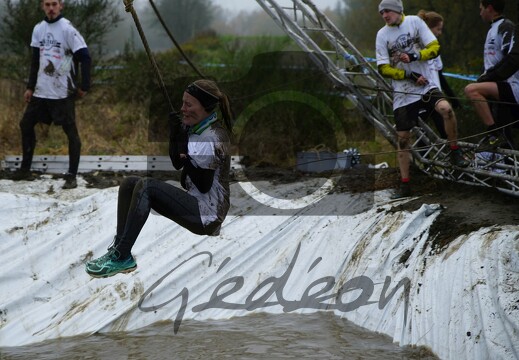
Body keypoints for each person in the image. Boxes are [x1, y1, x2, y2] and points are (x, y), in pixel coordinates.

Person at [86, 79, 233, 278]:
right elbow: (177, 163)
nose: (183, 109)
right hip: (197, 203)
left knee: (147, 187)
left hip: (208, 214)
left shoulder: (211, 137)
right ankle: (119, 251)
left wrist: (186, 152)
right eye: (183, 103)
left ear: (205, 107)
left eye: (188, 105)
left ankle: (122, 256)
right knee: (130, 184)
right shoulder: (197, 128)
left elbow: (203, 184)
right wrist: (175, 136)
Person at [375, 0, 469, 199]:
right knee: (403, 140)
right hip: (403, 93)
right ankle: (405, 184)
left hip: (427, 85)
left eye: (388, 11)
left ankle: (455, 151)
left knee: (446, 109)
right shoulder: (382, 35)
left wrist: (416, 56)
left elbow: (435, 47)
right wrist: (408, 76)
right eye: (382, 12)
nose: (384, 15)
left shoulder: (415, 23)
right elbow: (383, 68)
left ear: (398, 10)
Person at [13, 0, 91, 189]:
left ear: (61, 6)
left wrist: (84, 85)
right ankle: (25, 169)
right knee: (25, 124)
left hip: (62, 92)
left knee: (71, 133)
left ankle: (72, 176)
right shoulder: (39, 29)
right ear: (42, 6)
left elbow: (85, 57)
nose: (51, 8)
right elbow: (35, 60)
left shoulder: (67, 29)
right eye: (47, 4)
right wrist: (30, 87)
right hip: (41, 91)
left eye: (54, 4)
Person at [464, 0, 519, 150]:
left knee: (471, 90)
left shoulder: (506, 26)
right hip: (496, 87)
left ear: (489, 8)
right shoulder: (492, 29)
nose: (480, 12)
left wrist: (489, 78)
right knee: (505, 141)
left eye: (481, 9)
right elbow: (491, 62)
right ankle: (497, 137)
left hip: (509, 86)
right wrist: (484, 76)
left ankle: (493, 132)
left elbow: (512, 59)